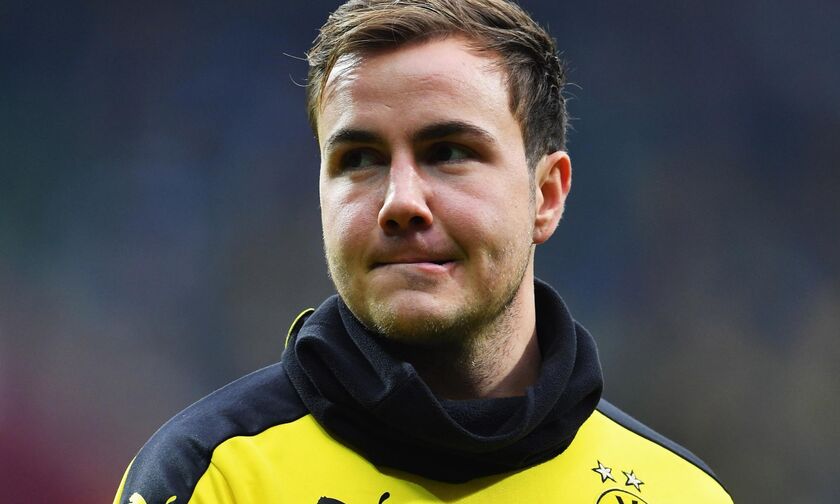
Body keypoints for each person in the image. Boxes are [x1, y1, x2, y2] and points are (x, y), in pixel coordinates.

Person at [114, 1, 733, 502]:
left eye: (449, 152)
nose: (400, 201)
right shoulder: (210, 481)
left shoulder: (679, 495)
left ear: (545, 196)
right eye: (359, 159)